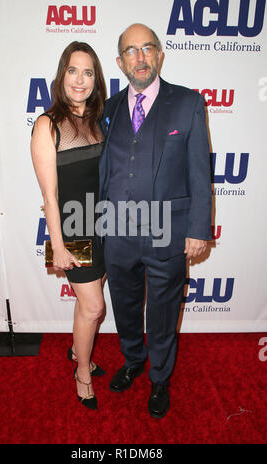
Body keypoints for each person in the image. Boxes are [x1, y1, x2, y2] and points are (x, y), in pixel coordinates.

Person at [99, 24, 212, 418]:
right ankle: (133, 360)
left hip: (168, 228)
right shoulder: (109, 108)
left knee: (162, 311)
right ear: (120, 61)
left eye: (147, 48)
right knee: (126, 305)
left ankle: (160, 378)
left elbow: (201, 172)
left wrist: (199, 228)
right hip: (117, 230)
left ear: (160, 55)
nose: (140, 57)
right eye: (131, 51)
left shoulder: (188, 103)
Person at [31, 41, 107, 410]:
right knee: (93, 308)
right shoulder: (47, 125)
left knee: (86, 307)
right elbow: (50, 195)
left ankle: (81, 352)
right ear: (62, 76)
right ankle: (82, 373)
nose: (80, 79)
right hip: (74, 232)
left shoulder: (98, 120)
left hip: (106, 227)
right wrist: (58, 246)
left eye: (88, 72)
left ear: (97, 79)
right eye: (73, 70)